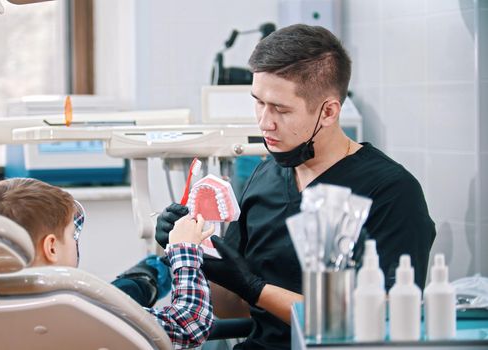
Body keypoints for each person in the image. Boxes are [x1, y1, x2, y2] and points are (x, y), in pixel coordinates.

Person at [155, 24, 436, 349]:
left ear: (329, 111)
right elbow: (230, 306)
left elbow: (380, 325)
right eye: (258, 102)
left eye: (281, 109)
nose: (264, 122)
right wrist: (192, 254)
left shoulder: (390, 192)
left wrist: (255, 288)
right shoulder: (266, 175)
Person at [0, 177, 215, 349]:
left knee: (123, 291)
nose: (75, 242)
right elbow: (189, 325)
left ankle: (151, 272)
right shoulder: (81, 310)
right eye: (73, 235)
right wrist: (184, 252)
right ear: (51, 247)